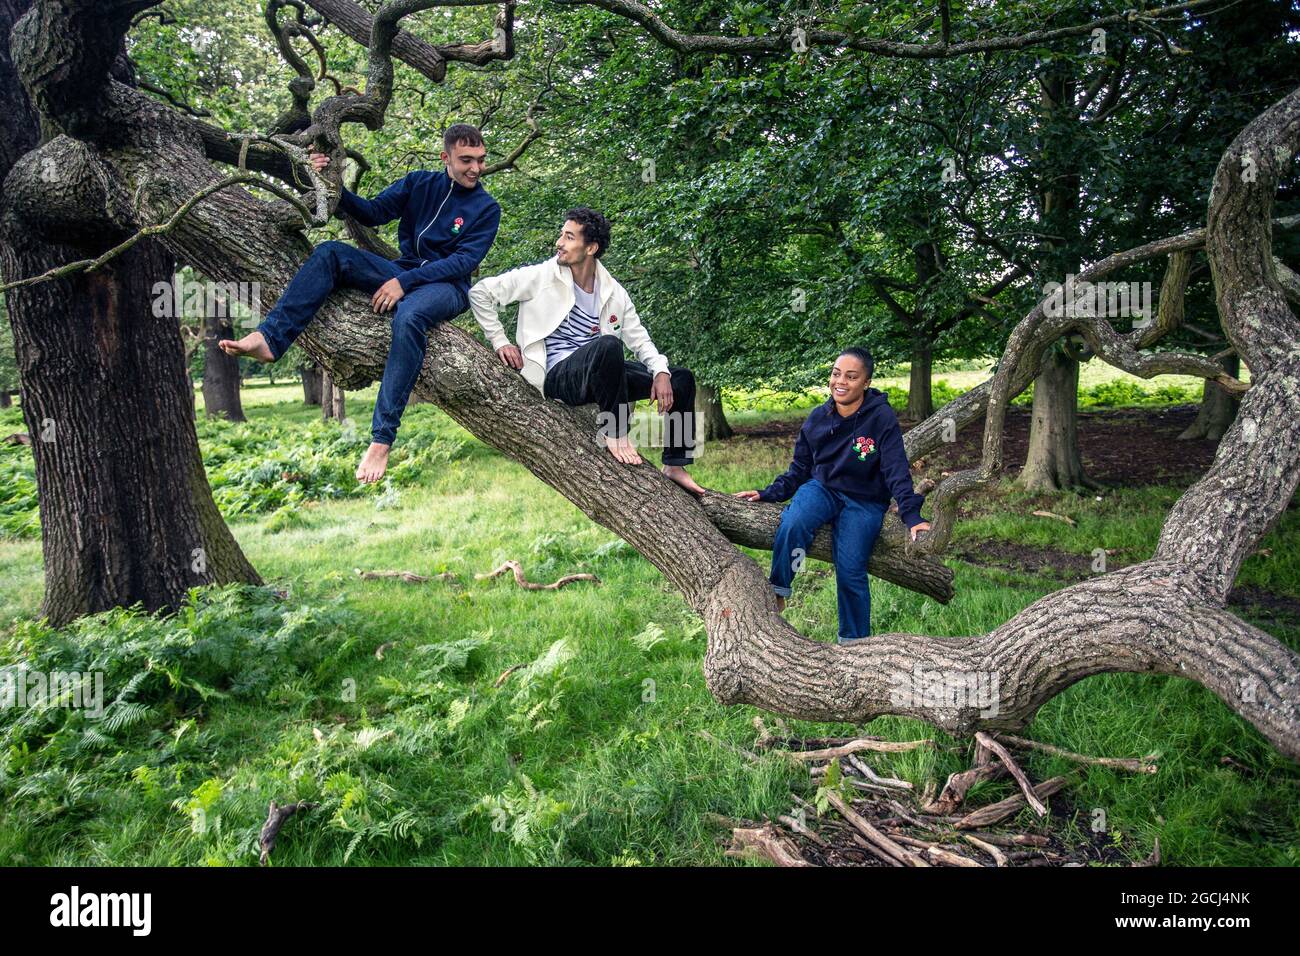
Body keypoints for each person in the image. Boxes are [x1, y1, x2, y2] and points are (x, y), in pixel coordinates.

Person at [219, 123, 501, 483]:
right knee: (331, 254)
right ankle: (270, 339)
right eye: (466, 160)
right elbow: (372, 212)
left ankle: (381, 440)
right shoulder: (419, 183)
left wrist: (404, 282)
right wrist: (331, 183)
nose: (476, 169)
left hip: (448, 287)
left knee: (410, 316)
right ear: (445, 158)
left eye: (480, 160)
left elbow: (462, 262)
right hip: (403, 270)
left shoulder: (486, 208)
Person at [468, 206, 704, 494]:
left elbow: (639, 339)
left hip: (600, 375)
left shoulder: (613, 292)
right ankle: (616, 433)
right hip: (557, 376)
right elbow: (481, 292)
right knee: (607, 346)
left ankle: (675, 465)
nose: (559, 243)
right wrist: (500, 341)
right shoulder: (541, 276)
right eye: (561, 235)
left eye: (569, 237)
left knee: (681, 378)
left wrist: (660, 371)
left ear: (590, 247)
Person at [734, 348, 931, 644]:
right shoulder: (818, 418)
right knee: (794, 521)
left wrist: (912, 515)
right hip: (823, 488)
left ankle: (854, 644)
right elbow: (800, 469)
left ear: (865, 383)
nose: (841, 381)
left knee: (851, 569)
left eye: (851, 377)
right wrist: (768, 493)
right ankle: (779, 592)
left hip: (865, 502)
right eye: (836, 374)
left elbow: (895, 469)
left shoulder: (881, 418)